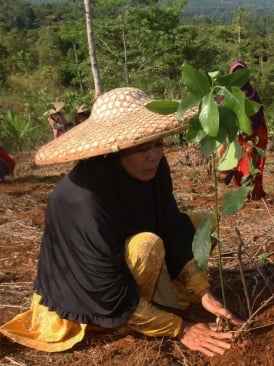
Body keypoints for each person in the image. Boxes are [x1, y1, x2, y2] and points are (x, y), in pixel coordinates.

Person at [0, 87, 244, 357]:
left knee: (202, 223)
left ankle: (161, 300)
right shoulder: (84, 200)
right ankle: (113, 325)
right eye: (142, 148)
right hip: (87, 292)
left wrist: (202, 291)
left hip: (120, 264)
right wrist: (180, 328)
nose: (154, 155)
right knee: (147, 246)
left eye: (158, 143)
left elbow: (170, 223)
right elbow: (106, 289)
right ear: (116, 150)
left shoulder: (154, 168)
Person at [216, 60, 268, 200]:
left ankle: (255, 193)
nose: (239, 75)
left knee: (253, 165)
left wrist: (258, 133)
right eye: (235, 72)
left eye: (241, 72)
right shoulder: (225, 92)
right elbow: (219, 110)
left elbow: (259, 114)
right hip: (236, 136)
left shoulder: (252, 93)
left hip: (252, 136)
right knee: (239, 166)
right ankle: (242, 194)